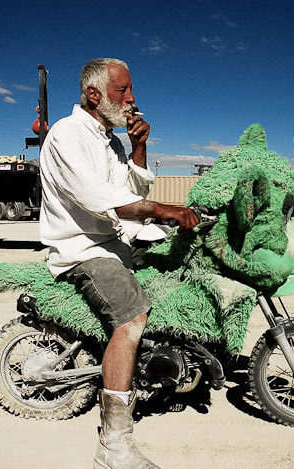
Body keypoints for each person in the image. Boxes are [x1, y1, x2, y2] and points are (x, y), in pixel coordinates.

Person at [39, 58, 198, 469]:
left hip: (115, 240)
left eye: (129, 90)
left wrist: (138, 148)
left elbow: (130, 191)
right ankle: (113, 445)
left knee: (183, 258)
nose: (131, 98)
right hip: (84, 249)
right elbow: (103, 199)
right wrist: (166, 210)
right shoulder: (66, 135)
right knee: (132, 317)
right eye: (122, 90)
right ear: (94, 95)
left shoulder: (109, 140)